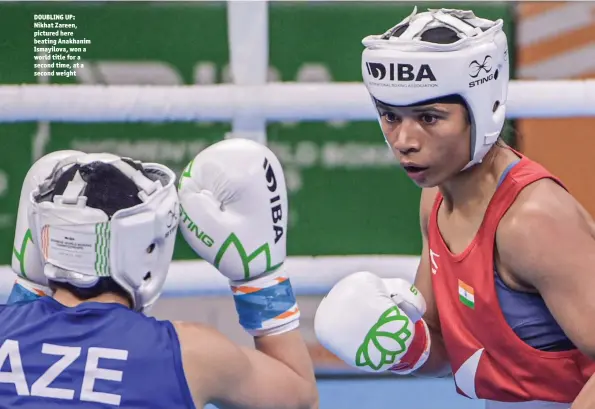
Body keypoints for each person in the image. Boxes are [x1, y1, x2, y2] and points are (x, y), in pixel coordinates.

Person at [314, 7, 595, 409]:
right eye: (391, 116)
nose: (405, 140)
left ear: (483, 109)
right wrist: (403, 345)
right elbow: (445, 343)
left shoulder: (530, 223)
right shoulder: (435, 199)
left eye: (429, 117)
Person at [2, 141, 318, 409]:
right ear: (146, 247)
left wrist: (27, 290)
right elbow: (300, 399)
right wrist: (259, 278)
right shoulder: (191, 353)